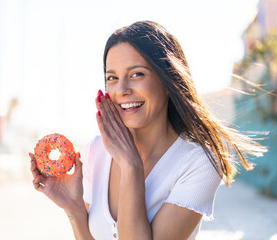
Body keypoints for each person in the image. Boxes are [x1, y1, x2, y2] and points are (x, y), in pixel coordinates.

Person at [30, 21, 266, 240]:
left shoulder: (199, 163)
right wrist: (73, 209)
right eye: (112, 77)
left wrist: (130, 165)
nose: (122, 89)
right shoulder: (95, 151)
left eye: (136, 74)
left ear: (168, 82)